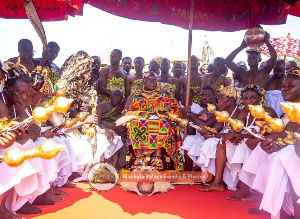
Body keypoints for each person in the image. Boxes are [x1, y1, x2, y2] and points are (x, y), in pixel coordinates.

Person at [239, 69, 300, 216]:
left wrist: (277, 144)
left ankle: (286, 211)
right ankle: (270, 204)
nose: (284, 89)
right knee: (261, 150)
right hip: (290, 148)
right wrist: (268, 139)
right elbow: (283, 131)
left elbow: (293, 136)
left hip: (295, 152)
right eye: (283, 86)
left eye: (290, 86)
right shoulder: (288, 109)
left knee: (282, 157)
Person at [200, 84, 277, 193]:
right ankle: (218, 183)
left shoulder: (268, 111)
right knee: (223, 142)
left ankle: (244, 188)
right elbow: (234, 131)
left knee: (242, 145)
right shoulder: (245, 112)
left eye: (252, 98)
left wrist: (240, 136)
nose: (248, 101)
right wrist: (233, 136)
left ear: (260, 99)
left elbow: (270, 134)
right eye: (245, 98)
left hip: (262, 143)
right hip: (246, 140)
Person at [125, 71, 183, 170]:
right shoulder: (135, 95)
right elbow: (126, 111)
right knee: (135, 123)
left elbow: (175, 108)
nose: (152, 82)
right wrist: (139, 114)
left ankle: (157, 158)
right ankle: (139, 158)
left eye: (154, 80)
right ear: (144, 81)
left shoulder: (163, 93)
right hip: (140, 122)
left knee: (162, 124)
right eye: (149, 80)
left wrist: (167, 115)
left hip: (159, 121)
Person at [180, 87, 216, 171]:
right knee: (188, 140)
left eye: (207, 95)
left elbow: (205, 125)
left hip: (212, 136)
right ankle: (187, 172)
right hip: (199, 135)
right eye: (202, 95)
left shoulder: (216, 110)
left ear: (213, 96)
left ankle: (200, 171)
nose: (204, 97)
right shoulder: (202, 109)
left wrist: (189, 114)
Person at [96, 89, 126, 169]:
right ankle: (102, 168)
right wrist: (107, 129)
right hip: (102, 130)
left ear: (122, 98)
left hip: (118, 132)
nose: (116, 98)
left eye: (118, 96)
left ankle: (115, 168)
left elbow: (123, 122)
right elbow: (97, 123)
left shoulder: (122, 107)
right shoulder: (101, 106)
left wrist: (118, 128)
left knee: (121, 142)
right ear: (110, 96)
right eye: (114, 95)